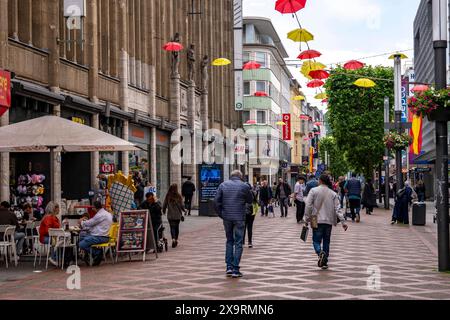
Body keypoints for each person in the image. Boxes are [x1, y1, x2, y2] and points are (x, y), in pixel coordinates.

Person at [214, 170, 253, 279]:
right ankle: (236, 269)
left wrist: (221, 214)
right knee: (239, 242)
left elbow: (216, 201)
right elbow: (250, 200)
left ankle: (229, 267)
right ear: (240, 177)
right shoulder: (244, 186)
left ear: (231, 176)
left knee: (229, 240)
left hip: (227, 217)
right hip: (239, 217)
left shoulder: (223, 185)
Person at [305, 175, 348, 270]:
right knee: (326, 241)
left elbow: (308, 205)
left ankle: (320, 253)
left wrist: (306, 218)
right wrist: (343, 222)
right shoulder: (333, 193)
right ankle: (325, 261)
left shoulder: (313, 191)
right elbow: (338, 208)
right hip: (328, 219)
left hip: (315, 218)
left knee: (316, 240)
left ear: (320, 181)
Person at [79, 201, 113, 266]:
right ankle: (88, 255)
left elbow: (90, 223)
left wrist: (81, 222)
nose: (92, 208)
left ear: (95, 207)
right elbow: (95, 224)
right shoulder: (106, 213)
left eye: (93, 207)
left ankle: (97, 252)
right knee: (82, 236)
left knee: (81, 244)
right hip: (103, 235)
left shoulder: (100, 215)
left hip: (101, 236)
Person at [39, 202, 61, 266]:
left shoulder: (55, 218)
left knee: (61, 241)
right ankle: (53, 257)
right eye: (58, 208)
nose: (59, 209)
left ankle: (56, 257)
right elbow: (47, 230)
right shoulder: (48, 218)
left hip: (52, 236)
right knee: (58, 241)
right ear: (54, 209)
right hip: (45, 237)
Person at [163, 184, 185, 248]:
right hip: (177, 215)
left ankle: (173, 239)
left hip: (170, 215)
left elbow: (164, 204)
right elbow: (182, 205)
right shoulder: (179, 196)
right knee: (176, 227)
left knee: (172, 227)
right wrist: (184, 210)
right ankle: (176, 239)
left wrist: (163, 211)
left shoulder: (168, 196)